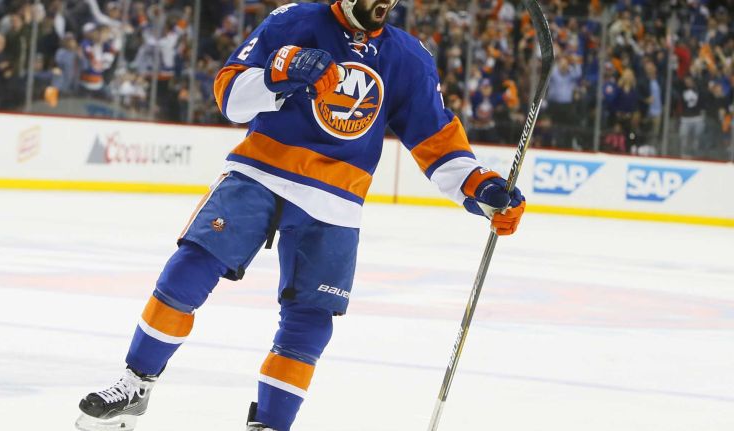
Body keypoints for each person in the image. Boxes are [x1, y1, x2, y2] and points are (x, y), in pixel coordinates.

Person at [74, 1, 526, 431]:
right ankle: (136, 384)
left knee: (310, 319)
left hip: (337, 198)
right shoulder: (293, 20)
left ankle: (271, 424)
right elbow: (229, 96)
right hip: (259, 172)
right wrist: (278, 75)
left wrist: (480, 187)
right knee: (190, 269)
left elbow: (437, 141)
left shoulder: (408, 57)